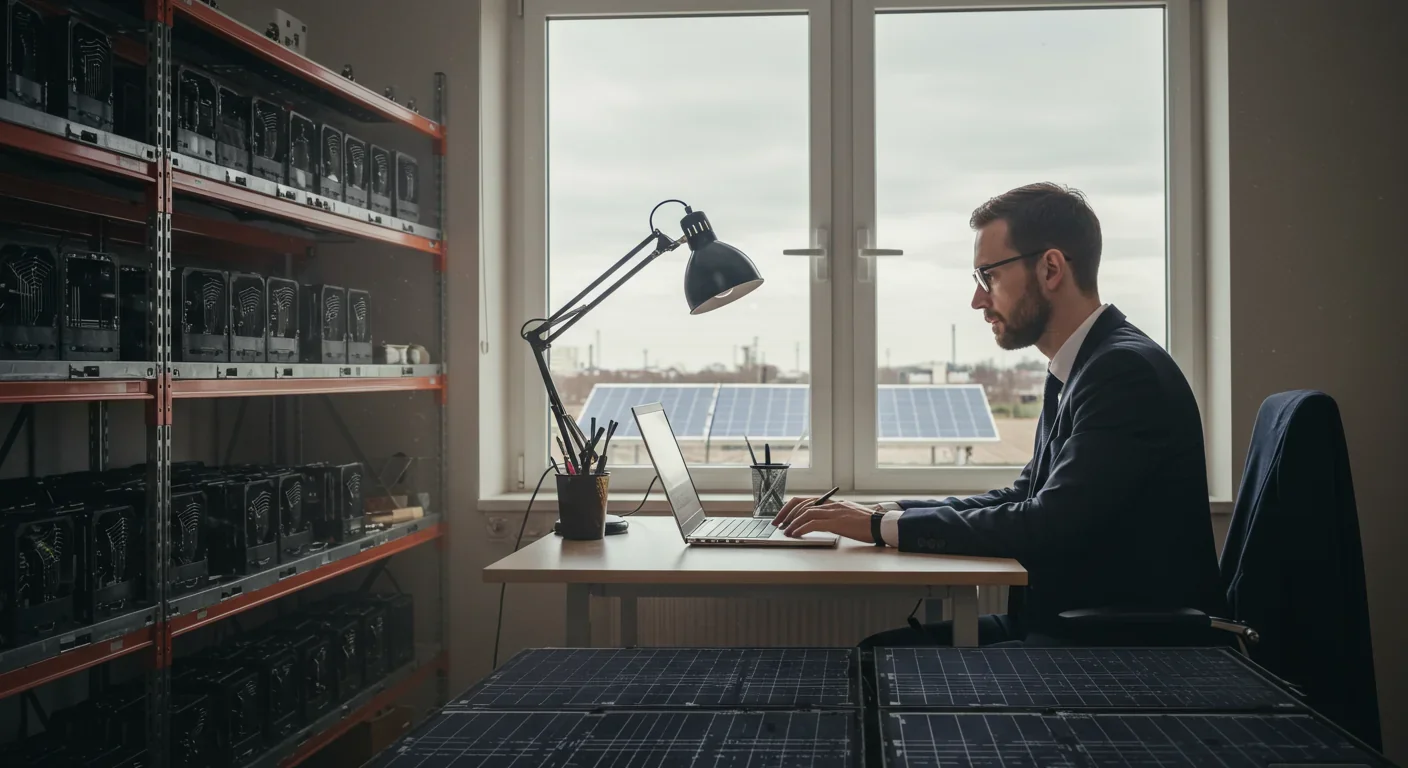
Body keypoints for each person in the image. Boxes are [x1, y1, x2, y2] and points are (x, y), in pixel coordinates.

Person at [772, 182, 1226, 647]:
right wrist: (890, 511)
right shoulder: (1081, 365)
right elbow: (1026, 493)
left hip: (1114, 648)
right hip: (1068, 626)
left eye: (987, 276)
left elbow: (1044, 523)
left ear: (1050, 268)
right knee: (882, 653)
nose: (977, 299)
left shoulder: (1122, 373)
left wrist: (876, 527)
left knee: (880, 657)